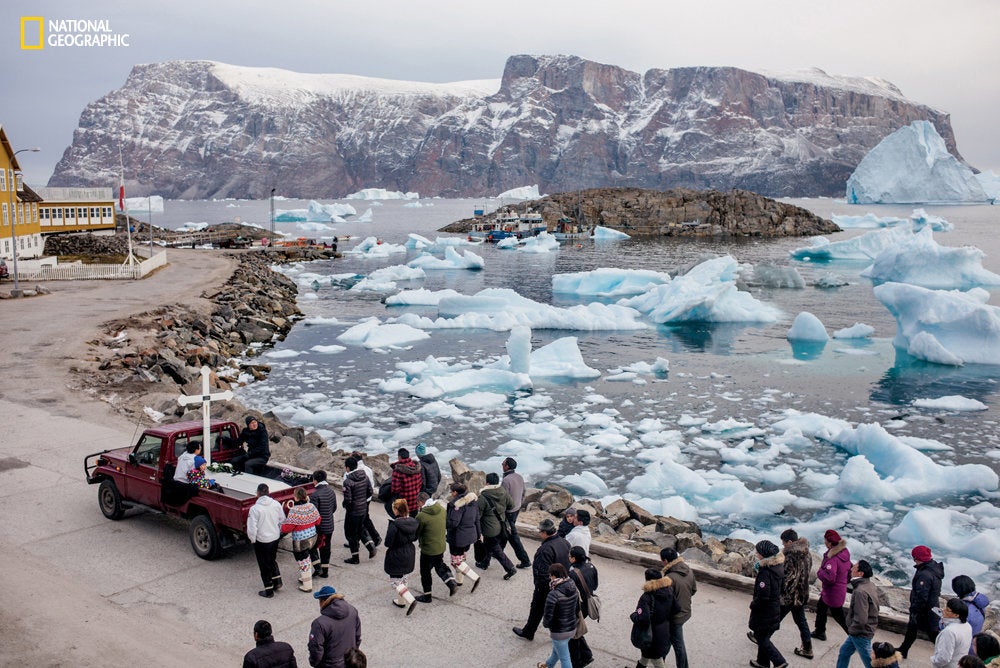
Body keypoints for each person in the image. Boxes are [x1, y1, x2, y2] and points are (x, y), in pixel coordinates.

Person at [514, 518, 572, 641]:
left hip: (548, 586)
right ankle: (563, 633)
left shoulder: (545, 549)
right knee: (558, 609)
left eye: (540, 531)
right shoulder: (565, 543)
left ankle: (529, 631)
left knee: (537, 608)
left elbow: (541, 572)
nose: (540, 534)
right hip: (563, 582)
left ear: (545, 533)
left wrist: (539, 587)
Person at [898, 544, 944, 658]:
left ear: (917, 558)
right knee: (912, 629)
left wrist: (914, 609)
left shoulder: (925, 574)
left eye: (914, 557)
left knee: (933, 634)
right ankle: (903, 650)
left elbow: (922, 596)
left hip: (926, 611)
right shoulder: (933, 567)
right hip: (932, 607)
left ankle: (946, 656)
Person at [748, 540, 788, 668]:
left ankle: (779, 661)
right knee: (763, 635)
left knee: (761, 638)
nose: (756, 554)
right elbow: (783, 589)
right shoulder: (778, 568)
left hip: (765, 611)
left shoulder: (765, 572)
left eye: (758, 552)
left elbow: (763, 596)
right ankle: (762, 662)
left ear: (763, 555)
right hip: (774, 607)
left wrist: (753, 604)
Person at [775, 529, 813, 660]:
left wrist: (780, 591)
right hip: (802, 593)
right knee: (801, 621)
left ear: (790, 542)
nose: (783, 545)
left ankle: (761, 637)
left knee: (776, 617)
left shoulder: (791, 556)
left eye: (784, 543)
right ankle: (807, 648)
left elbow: (787, 578)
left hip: (790, 595)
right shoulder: (808, 554)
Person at [414, 491, 458, 602]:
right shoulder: (442, 510)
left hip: (428, 549)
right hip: (441, 545)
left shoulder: (421, 516)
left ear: (420, 502)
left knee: (425, 572)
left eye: (417, 503)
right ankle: (451, 582)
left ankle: (427, 596)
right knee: (439, 565)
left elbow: (416, 533)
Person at [630, 566, 677, 668]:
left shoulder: (647, 597)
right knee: (646, 656)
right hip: (664, 632)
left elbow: (643, 619)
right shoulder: (669, 591)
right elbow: (677, 609)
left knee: (657, 660)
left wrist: (633, 615)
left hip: (651, 635)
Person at [835, 560, 879, 668]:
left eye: (854, 568)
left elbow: (861, 618)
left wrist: (852, 629)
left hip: (860, 632)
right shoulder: (869, 584)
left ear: (860, 573)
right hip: (862, 630)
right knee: (844, 652)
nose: (851, 569)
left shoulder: (860, 591)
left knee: (869, 662)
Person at [476, 472, 518, 578]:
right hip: (501, 524)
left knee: (495, 548)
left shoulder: (483, 496)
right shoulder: (503, 491)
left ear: (487, 482)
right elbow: (511, 505)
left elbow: (478, 515)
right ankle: (485, 563)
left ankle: (510, 568)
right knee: (489, 546)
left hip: (489, 528)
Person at [536, 563, 579, 668]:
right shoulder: (572, 585)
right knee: (557, 650)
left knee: (565, 657)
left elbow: (548, 616)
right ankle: (547, 665)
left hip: (559, 631)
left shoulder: (553, 594)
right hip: (572, 627)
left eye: (550, 575)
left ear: (554, 575)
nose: (549, 578)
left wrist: (546, 624)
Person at [247, 483, 286, 597]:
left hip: (262, 540)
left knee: (263, 564)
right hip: (274, 537)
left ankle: (268, 590)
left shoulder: (254, 509)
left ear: (258, 493)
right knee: (272, 560)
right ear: (268, 492)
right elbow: (282, 519)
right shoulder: (276, 504)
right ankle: (277, 581)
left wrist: (252, 539)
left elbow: (252, 528)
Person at [308, 585, 361, 668]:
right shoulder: (352, 611)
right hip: (350, 661)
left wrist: (314, 663)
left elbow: (316, 648)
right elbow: (357, 636)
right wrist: (353, 654)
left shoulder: (319, 623)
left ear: (322, 601)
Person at [812, 529, 851, 642]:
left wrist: (820, 572)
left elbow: (829, 577)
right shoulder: (844, 553)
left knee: (839, 616)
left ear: (829, 543)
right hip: (838, 590)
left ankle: (855, 638)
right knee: (821, 607)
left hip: (832, 592)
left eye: (825, 540)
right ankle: (820, 631)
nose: (824, 542)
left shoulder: (833, 559)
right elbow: (848, 569)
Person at [660, 546, 696, 668]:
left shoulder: (669, 578)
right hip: (685, 611)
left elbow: (665, 600)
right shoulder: (688, 570)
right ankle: (660, 662)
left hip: (675, 616)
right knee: (668, 640)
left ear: (665, 561)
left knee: (678, 644)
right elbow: (694, 590)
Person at [281, 487, 321, 592]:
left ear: (297, 498)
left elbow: (287, 528)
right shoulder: (311, 506)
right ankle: (305, 577)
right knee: (307, 559)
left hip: (300, 540)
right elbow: (318, 520)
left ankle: (307, 585)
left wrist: (281, 526)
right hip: (313, 537)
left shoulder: (294, 510)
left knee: (303, 561)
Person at [384, 497, 420, 615]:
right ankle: (401, 601)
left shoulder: (395, 525)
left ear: (396, 510)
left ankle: (410, 599)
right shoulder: (413, 522)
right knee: (403, 579)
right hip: (409, 552)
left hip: (396, 554)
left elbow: (388, 543)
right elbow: (415, 538)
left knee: (395, 581)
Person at [445, 481, 482, 592]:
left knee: (455, 561)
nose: (451, 494)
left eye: (451, 492)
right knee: (460, 558)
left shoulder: (456, 504)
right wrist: (479, 534)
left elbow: (453, 523)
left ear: (455, 492)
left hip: (458, 537)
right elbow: (477, 519)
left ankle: (474, 577)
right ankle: (459, 580)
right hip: (470, 535)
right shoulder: (473, 501)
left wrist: (444, 523)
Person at [341, 457, 376, 564]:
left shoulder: (348, 481)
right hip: (363, 508)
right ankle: (371, 547)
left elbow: (348, 500)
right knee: (360, 528)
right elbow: (370, 492)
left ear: (347, 468)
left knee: (350, 533)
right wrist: (362, 501)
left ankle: (355, 558)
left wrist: (345, 505)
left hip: (353, 512)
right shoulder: (364, 476)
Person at [568, 545, 598, 668]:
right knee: (576, 630)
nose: (568, 557)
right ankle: (586, 655)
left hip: (578, 607)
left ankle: (577, 663)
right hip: (588, 604)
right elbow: (595, 586)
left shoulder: (572, 574)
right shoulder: (592, 567)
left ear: (573, 558)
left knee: (571, 636)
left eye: (569, 556)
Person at [501, 456, 532, 569]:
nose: (502, 465)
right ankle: (499, 552)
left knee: (512, 536)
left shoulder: (506, 480)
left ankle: (525, 560)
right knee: (505, 531)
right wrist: (519, 503)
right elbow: (524, 492)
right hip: (516, 509)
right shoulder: (519, 477)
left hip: (508, 512)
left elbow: (503, 499)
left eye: (503, 464)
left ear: (507, 466)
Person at [349, 452, 381, 548]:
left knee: (359, 520)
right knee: (364, 518)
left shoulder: (355, 471)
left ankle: (373, 538)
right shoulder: (368, 469)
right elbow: (371, 485)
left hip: (359, 499)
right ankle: (372, 538)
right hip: (367, 498)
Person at [310, 470, 338, 579]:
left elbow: (314, 513)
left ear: (315, 480)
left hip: (319, 527)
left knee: (312, 547)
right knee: (326, 548)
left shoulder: (315, 495)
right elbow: (334, 507)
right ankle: (325, 571)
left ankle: (318, 568)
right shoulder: (331, 491)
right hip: (330, 525)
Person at [931, 598, 972, 668]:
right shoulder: (967, 626)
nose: (943, 610)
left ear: (956, 615)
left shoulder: (949, 632)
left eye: (947, 610)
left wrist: (933, 659)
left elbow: (943, 658)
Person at [952, 575, 989, 646]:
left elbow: (953, 628)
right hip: (974, 643)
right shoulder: (979, 602)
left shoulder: (964, 608)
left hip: (964, 646)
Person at [389, 447, 423, 516]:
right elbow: (420, 484)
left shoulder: (398, 471)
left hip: (404, 504)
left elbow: (395, 490)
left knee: (403, 523)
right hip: (415, 503)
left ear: (399, 457)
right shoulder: (416, 467)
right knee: (413, 522)